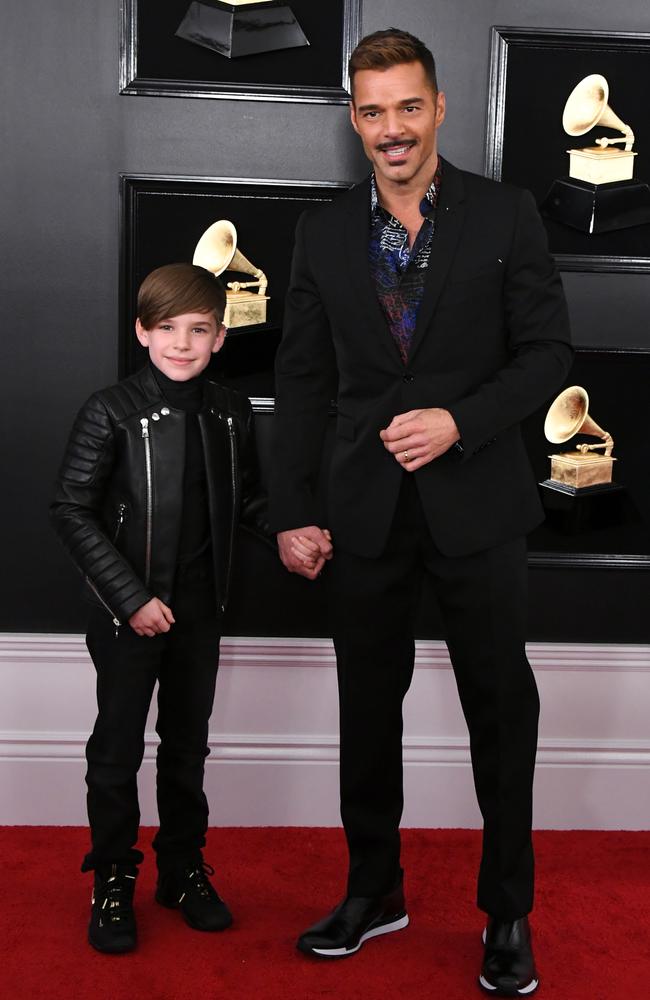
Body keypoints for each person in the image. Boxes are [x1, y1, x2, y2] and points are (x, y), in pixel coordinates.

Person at [269, 28, 573, 997]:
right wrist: (293, 509)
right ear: (353, 121)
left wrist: (458, 420)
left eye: (407, 106)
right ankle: (373, 890)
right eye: (371, 111)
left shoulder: (505, 213)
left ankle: (506, 914)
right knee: (367, 713)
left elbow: (546, 355)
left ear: (437, 106)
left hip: (478, 508)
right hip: (362, 512)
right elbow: (304, 379)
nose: (391, 128)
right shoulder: (320, 234)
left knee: (500, 714)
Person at [51, 263, 273, 954]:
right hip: (129, 612)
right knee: (117, 750)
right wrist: (132, 597)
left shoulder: (231, 412)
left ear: (220, 335)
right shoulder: (109, 410)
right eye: (168, 328)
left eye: (199, 330)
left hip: (202, 610)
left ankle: (180, 869)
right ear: (143, 331)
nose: (183, 343)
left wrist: (293, 530)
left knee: (186, 748)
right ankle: (113, 878)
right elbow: (71, 509)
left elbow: (248, 500)